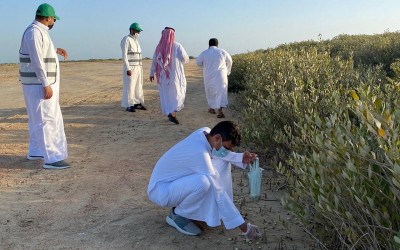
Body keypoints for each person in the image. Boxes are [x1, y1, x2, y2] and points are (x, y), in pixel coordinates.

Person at [147, 121, 261, 240]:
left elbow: (221, 155)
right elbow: (218, 191)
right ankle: (178, 215)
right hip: (161, 191)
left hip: (174, 183)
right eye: (227, 148)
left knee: (220, 164)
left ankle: (203, 212)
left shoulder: (205, 132)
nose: (227, 151)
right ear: (217, 138)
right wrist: (244, 227)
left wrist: (239, 157)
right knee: (204, 182)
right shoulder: (199, 152)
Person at [19, 3, 70, 169]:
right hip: (39, 85)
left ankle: (36, 151)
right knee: (46, 118)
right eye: (53, 19)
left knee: (36, 118)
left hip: (38, 84)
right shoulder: (34, 32)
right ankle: (52, 158)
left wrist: (55, 50)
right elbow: (36, 60)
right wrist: (45, 83)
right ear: (48, 18)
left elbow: (40, 52)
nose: (53, 21)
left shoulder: (39, 32)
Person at [150, 27, 189, 124]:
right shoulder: (177, 46)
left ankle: (170, 112)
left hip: (162, 78)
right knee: (178, 95)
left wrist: (151, 73)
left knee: (166, 96)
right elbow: (185, 59)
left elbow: (154, 61)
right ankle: (172, 114)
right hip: (174, 77)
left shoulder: (159, 47)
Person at [196, 38, 232, 118]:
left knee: (210, 91)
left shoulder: (204, 53)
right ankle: (220, 111)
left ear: (209, 44)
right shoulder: (222, 51)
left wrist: (205, 64)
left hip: (209, 76)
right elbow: (230, 61)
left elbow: (198, 62)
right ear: (217, 44)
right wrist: (227, 71)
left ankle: (212, 109)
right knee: (221, 92)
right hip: (221, 75)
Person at [121, 22, 146, 112]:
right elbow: (124, 55)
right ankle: (129, 104)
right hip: (131, 68)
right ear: (132, 30)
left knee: (138, 85)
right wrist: (128, 68)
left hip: (138, 67)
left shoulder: (136, 41)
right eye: (137, 31)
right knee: (130, 86)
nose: (138, 33)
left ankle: (137, 102)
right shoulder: (126, 39)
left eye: (139, 31)